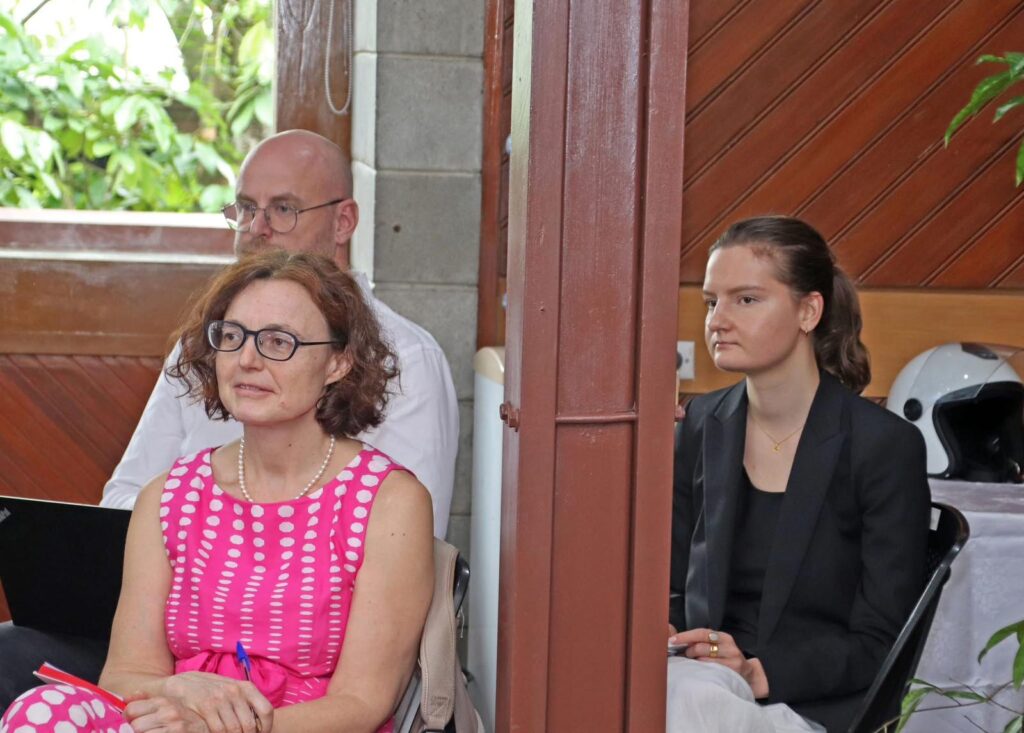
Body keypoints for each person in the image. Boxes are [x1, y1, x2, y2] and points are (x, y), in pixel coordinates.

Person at [0, 129, 459, 709]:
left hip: (313, 667)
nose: (257, 228)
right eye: (245, 208)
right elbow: (126, 496)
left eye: (283, 209)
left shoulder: (406, 363)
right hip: (176, 633)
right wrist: (188, 559)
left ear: (343, 221)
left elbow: (406, 552)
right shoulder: (202, 374)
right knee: (16, 666)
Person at [666, 216, 930, 733]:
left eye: (746, 299)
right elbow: (672, 586)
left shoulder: (882, 446)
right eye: (711, 302)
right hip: (697, 682)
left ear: (809, 311)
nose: (718, 320)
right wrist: (670, 631)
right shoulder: (699, 424)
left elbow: (883, 640)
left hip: (806, 705)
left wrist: (756, 673)